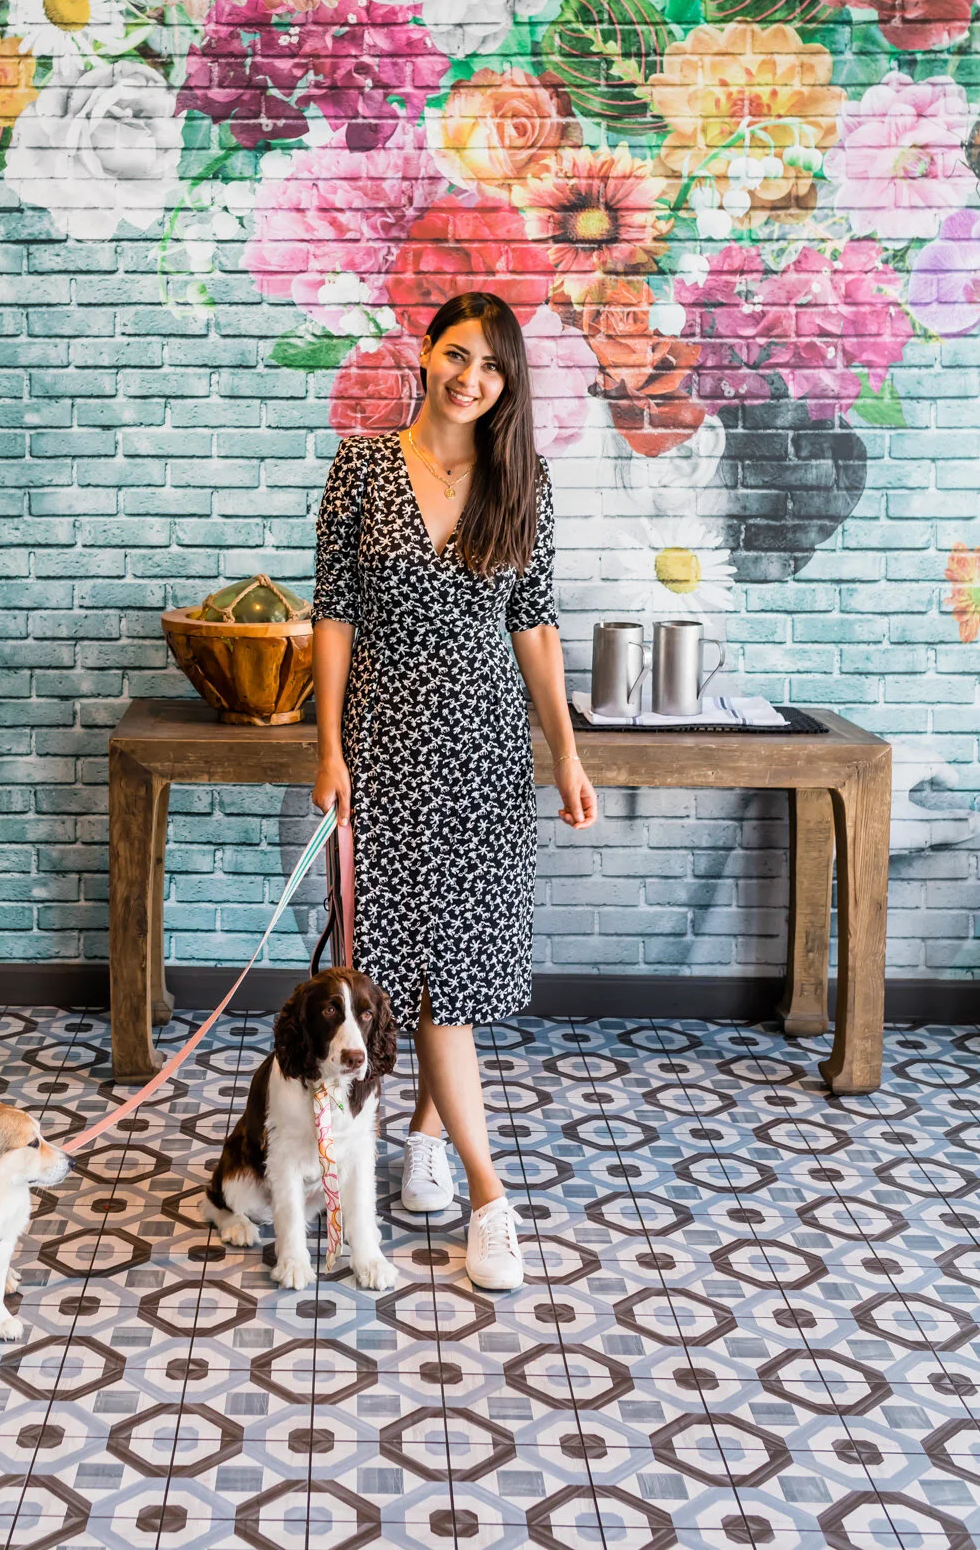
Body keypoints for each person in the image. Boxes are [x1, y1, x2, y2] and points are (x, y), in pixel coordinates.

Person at [310, 290, 598, 1291]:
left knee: (457, 976)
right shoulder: (360, 468)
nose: (472, 377)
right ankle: (475, 1180)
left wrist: (565, 753)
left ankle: (455, 1167)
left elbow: (536, 626)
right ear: (425, 352)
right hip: (383, 750)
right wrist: (328, 747)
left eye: (493, 365)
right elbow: (334, 616)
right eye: (458, 354)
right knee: (395, 968)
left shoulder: (522, 481)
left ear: (508, 383)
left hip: (483, 754)